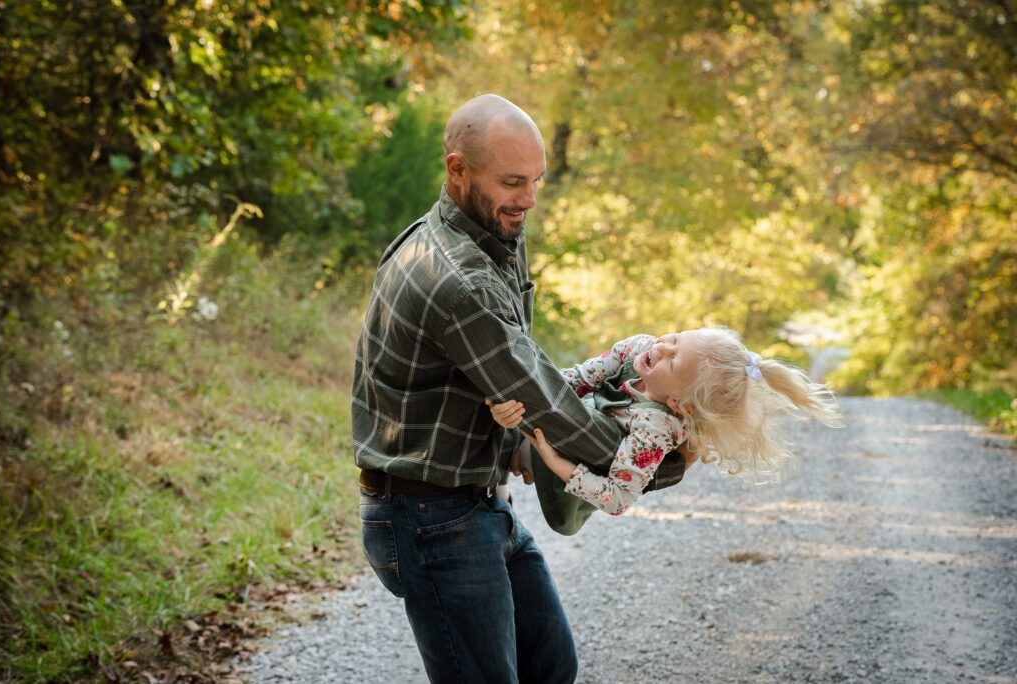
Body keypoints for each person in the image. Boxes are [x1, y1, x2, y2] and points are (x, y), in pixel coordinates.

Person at [351, 94, 687, 683]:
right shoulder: (455, 278)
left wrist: (514, 447)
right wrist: (658, 458)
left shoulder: (492, 230)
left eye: (535, 180)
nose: (529, 199)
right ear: (457, 169)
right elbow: (544, 397)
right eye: (512, 182)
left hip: (477, 500)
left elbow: (501, 372)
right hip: (429, 517)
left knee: (550, 667)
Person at [489, 327, 843, 529]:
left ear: (678, 404)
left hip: (572, 480)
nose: (661, 349)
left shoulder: (656, 426)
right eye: (674, 338)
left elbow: (618, 498)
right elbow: (579, 379)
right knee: (543, 397)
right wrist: (530, 393)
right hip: (574, 422)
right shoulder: (639, 347)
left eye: (672, 362)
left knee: (531, 428)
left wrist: (554, 463)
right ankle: (507, 451)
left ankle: (513, 464)